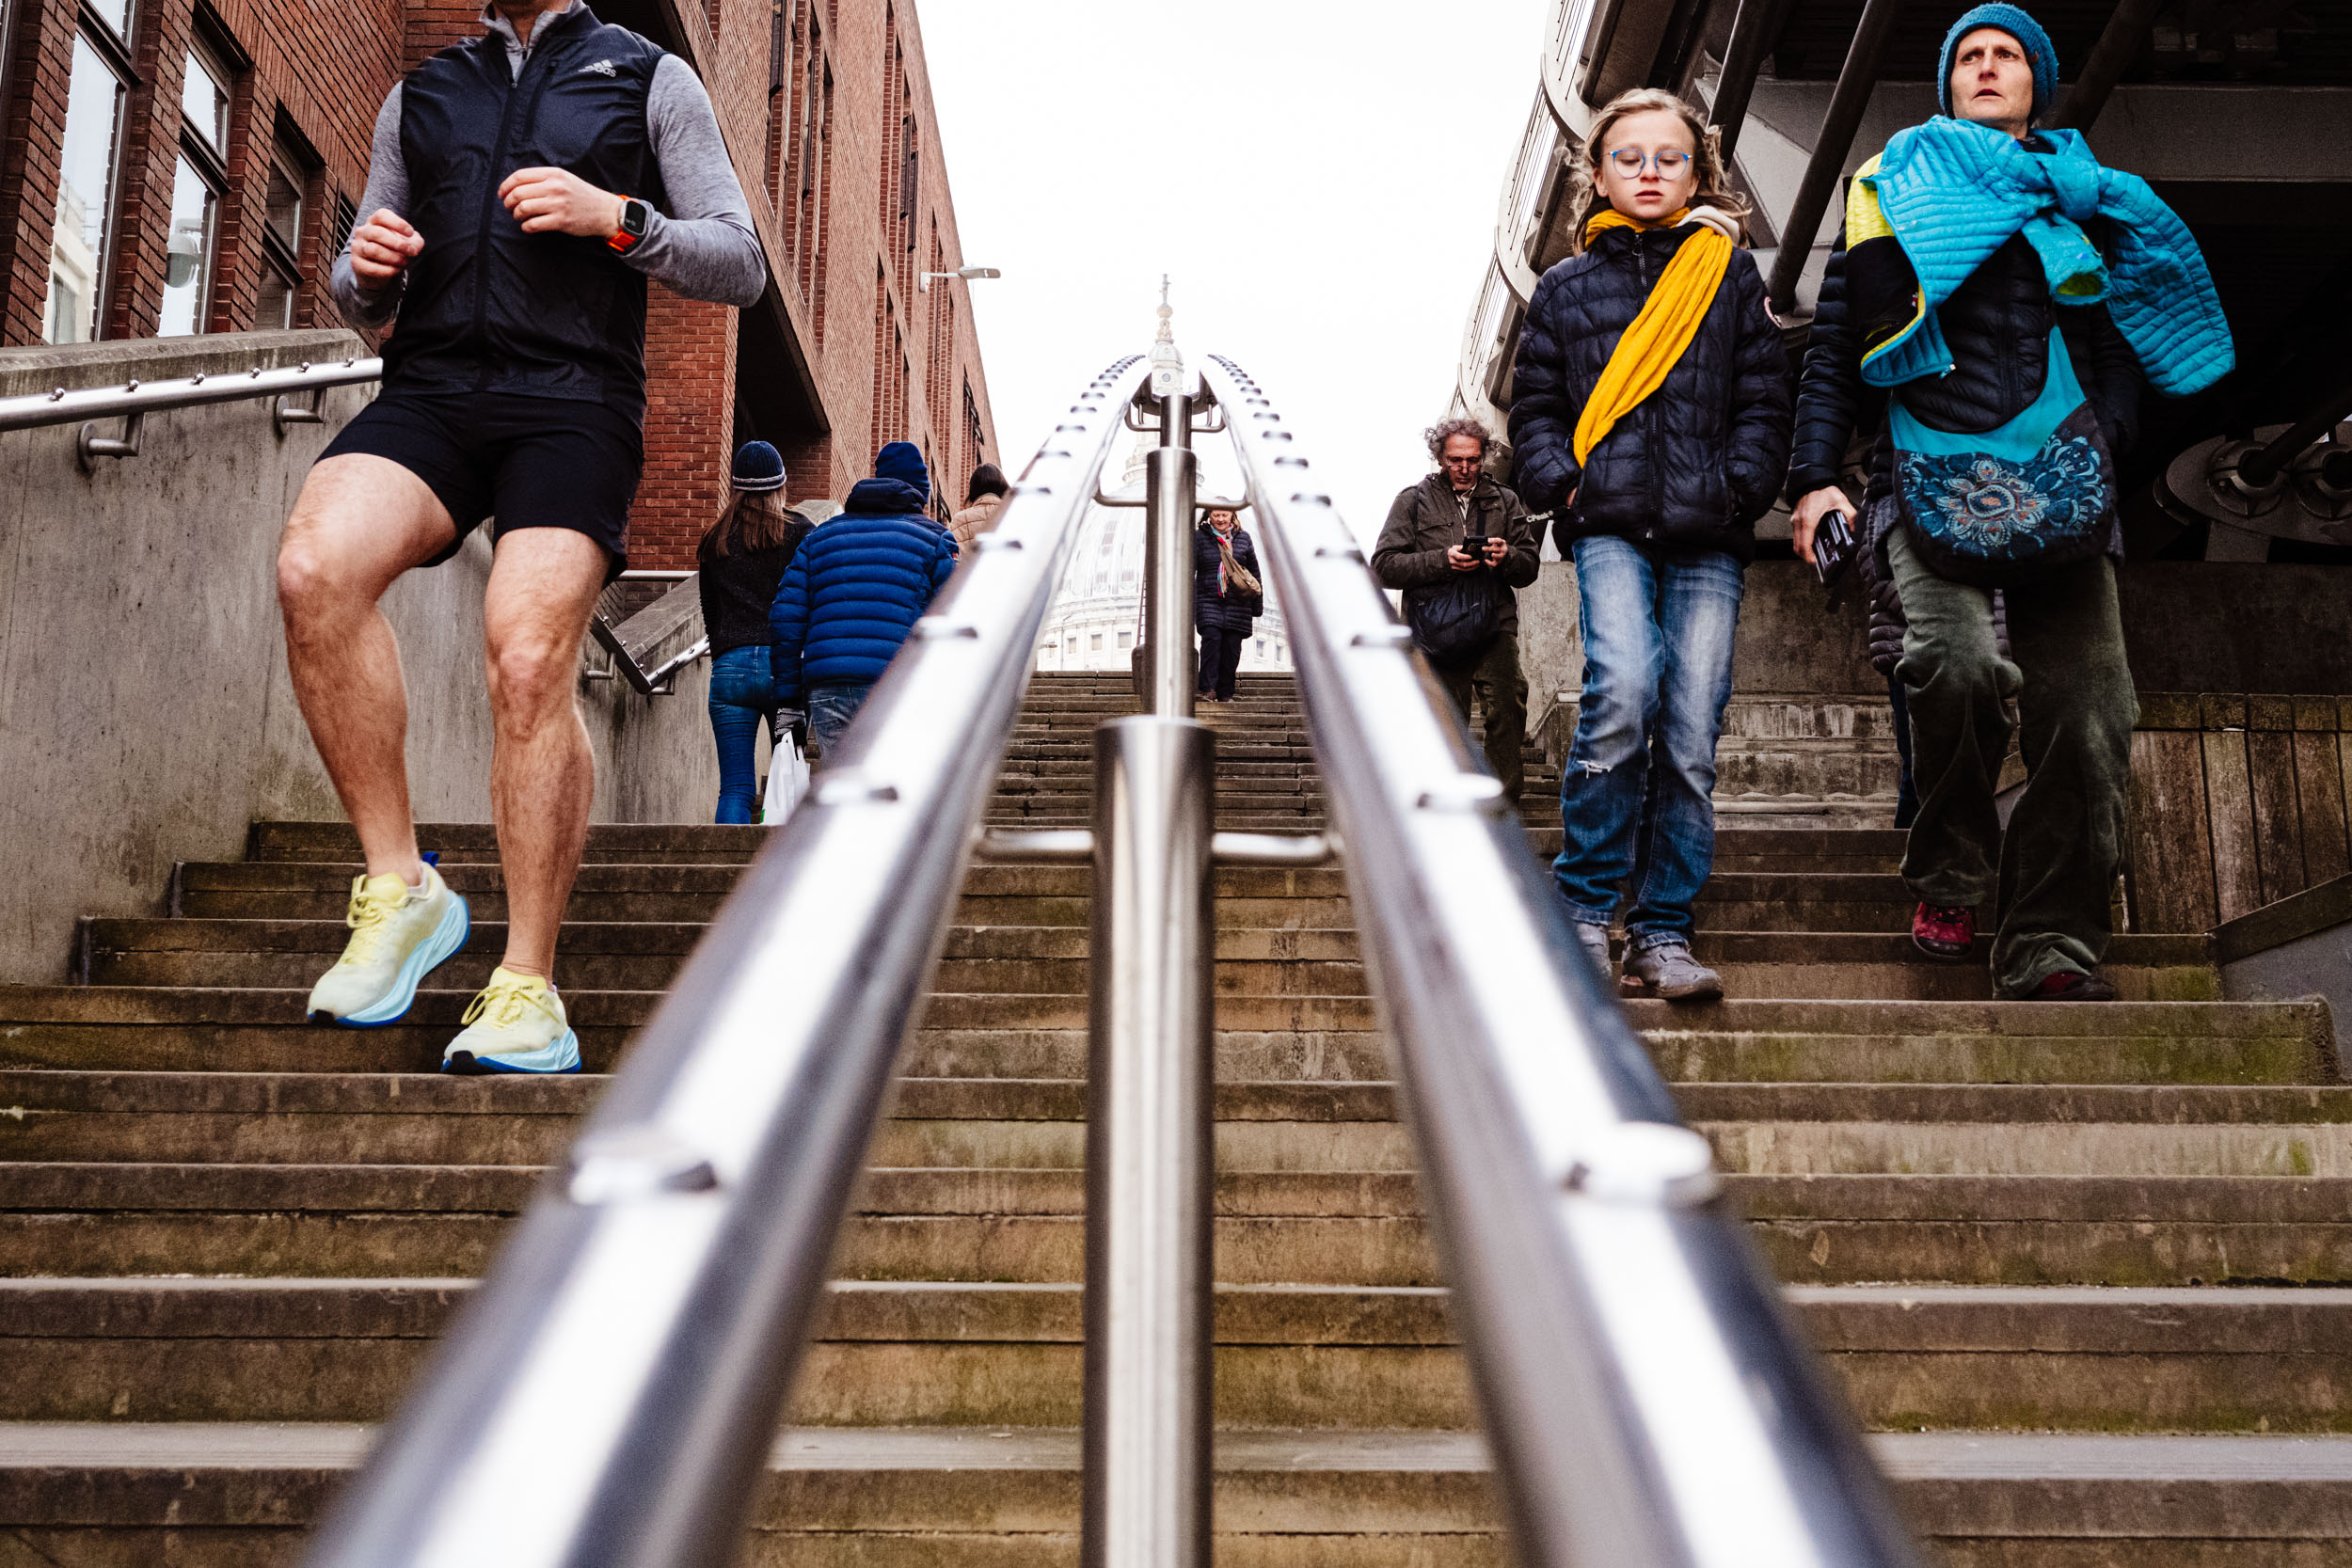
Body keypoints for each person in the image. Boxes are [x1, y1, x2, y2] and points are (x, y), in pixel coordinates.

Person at [281, 0, 765, 1072]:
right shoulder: (425, 91)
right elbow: (359, 292)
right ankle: (402, 886)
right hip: (434, 384)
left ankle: (528, 984)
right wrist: (367, 267)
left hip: (573, 399)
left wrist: (616, 216)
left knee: (531, 652)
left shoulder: (650, 78)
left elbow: (739, 262)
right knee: (315, 566)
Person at [1788, 5, 2230, 1000]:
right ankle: (1950, 871)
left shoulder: (2082, 203)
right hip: (1923, 476)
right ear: (1947, 85)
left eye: (2007, 57)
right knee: (1952, 664)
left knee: (2091, 711)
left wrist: (2107, 438)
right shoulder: (1885, 194)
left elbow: (2122, 347)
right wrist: (1813, 479)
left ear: (2037, 83)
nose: (1987, 69)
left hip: (2065, 484)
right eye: (1969, 58)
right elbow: (1833, 354)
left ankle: (2047, 942)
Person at [1507, 87, 1792, 1002]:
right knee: (1622, 692)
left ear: (1697, 171)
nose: (1648, 172)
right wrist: (1561, 482)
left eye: (1669, 157)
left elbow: (1762, 394)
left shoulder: (1728, 272)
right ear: (1596, 174)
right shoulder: (1563, 287)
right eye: (1627, 157)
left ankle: (1662, 931)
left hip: (1708, 532)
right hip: (1609, 526)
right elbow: (1537, 408)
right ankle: (1586, 912)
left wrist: (1743, 486)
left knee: (1691, 733)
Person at [1374, 418, 1539, 800]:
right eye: (1455, 460)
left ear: (1484, 457)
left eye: (1473, 459)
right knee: (1444, 721)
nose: (1464, 468)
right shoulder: (1412, 500)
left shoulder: (1505, 499)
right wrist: (1442, 560)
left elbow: (1528, 566)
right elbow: (1383, 565)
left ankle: (1503, 807)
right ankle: (1449, 803)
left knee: (1508, 705)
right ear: (1440, 458)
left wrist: (1506, 555)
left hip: (1493, 622)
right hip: (1435, 628)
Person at [770, 441, 958, 752]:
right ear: (920, 495)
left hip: (830, 682)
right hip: (898, 683)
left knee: (839, 792)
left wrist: (788, 702)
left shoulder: (819, 538)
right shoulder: (936, 540)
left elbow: (785, 617)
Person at [698, 441, 814, 824]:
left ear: (737, 488)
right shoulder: (800, 533)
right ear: (780, 486)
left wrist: (725, 658)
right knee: (788, 780)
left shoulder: (714, 539)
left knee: (735, 788)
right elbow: (809, 603)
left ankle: (721, 878)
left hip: (730, 670)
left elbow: (711, 613)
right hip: (785, 673)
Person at [1193, 507, 1263, 704]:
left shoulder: (1244, 538)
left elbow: (1254, 573)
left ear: (1232, 515)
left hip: (1238, 603)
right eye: (1216, 515)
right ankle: (1208, 689)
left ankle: (1226, 692)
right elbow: (1189, 570)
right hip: (1209, 599)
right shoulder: (1199, 537)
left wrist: (1257, 606)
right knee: (1211, 641)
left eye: (1225, 515)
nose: (1221, 519)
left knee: (1232, 648)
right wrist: (1189, 605)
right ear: (1209, 516)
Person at [951, 463, 1010, 550]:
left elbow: (954, 555)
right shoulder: (1012, 515)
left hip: (971, 564)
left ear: (973, 488)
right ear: (1003, 487)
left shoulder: (960, 519)